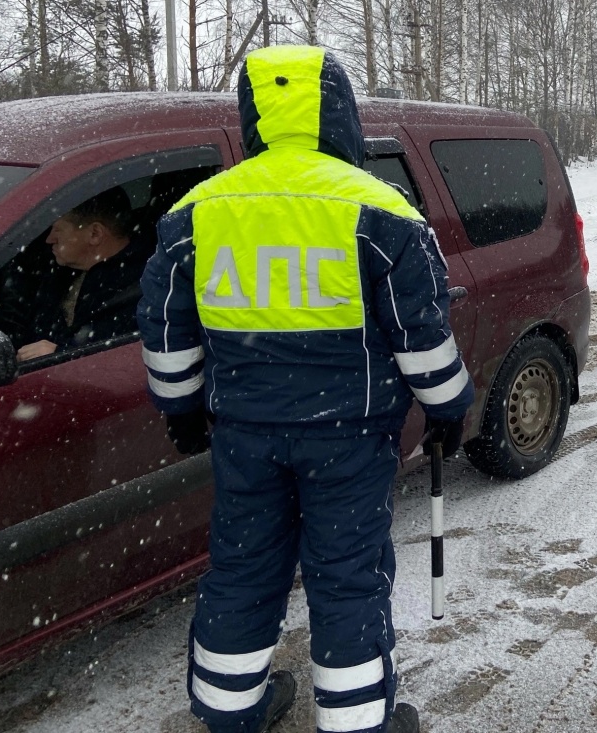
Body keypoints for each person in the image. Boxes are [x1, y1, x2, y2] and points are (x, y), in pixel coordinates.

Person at [137, 45, 473, 733]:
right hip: (349, 436)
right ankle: (356, 722)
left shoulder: (197, 212)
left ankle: (230, 709)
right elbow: (421, 329)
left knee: (242, 565)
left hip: (244, 437)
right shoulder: (382, 210)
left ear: (254, 114)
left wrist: (181, 410)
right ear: (338, 112)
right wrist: (448, 407)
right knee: (346, 575)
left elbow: (166, 328)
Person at [17, 188, 151, 360]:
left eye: (57, 230)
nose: (49, 239)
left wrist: (60, 355)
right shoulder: (59, 272)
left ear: (95, 234)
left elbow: (117, 365)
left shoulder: (143, 289)